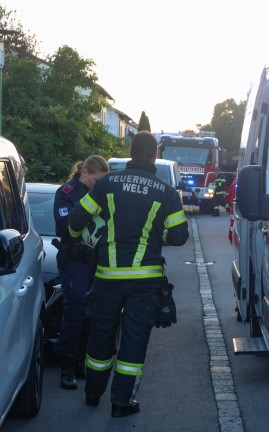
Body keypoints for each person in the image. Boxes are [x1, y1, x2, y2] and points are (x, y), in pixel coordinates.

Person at [68, 131, 189, 417]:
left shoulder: (107, 183)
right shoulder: (166, 192)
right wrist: (157, 236)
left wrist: (79, 236)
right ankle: (122, 404)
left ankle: (93, 395)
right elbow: (180, 236)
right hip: (144, 281)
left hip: (107, 277)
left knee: (101, 336)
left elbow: (75, 221)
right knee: (134, 341)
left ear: (131, 151)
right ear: (154, 155)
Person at [53, 156, 110, 390]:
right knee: (75, 310)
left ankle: (80, 362)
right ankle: (66, 365)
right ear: (85, 173)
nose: (99, 185)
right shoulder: (66, 192)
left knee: (90, 313)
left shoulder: (101, 192)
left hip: (95, 259)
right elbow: (65, 226)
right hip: (75, 259)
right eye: (96, 180)